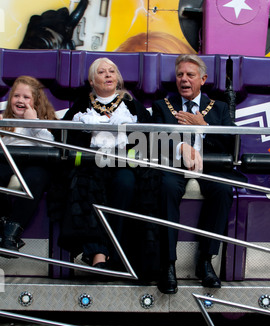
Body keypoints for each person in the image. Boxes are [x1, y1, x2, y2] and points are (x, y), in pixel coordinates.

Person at [55, 57, 158, 277]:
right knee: (87, 186)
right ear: (92, 81)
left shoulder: (130, 103)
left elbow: (149, 135)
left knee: (126, 184)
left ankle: (116, 251)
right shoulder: (82, 105)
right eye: (102, 72)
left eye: (112, 71)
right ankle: (98, 254)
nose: (108, 75)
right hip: (91, 164)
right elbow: (64, 136)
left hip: (124, 164)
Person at [152, 54, 236, 293]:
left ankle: (206, 261)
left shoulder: (218, 108)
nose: (184, 80)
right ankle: (168, 264)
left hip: (210, 165)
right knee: (166, 187)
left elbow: (231, 142)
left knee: (222, 189)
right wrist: (181, 147)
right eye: (180, 75)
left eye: (190, 75)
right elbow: (154, 140)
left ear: (203, 79)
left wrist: (204, 127)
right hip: (175, 166)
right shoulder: (163, 106)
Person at [0, 75, 57, 258]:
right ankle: (3, 224)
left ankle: (11, 234)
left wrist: (34, 123)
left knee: (34, 178)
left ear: (35, 101)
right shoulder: (4, 120)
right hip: (8, 161)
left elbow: (49, 146)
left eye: (26, 97)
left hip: (35, 163)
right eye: (17, 96)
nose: (20, 101)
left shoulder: (43, 121)